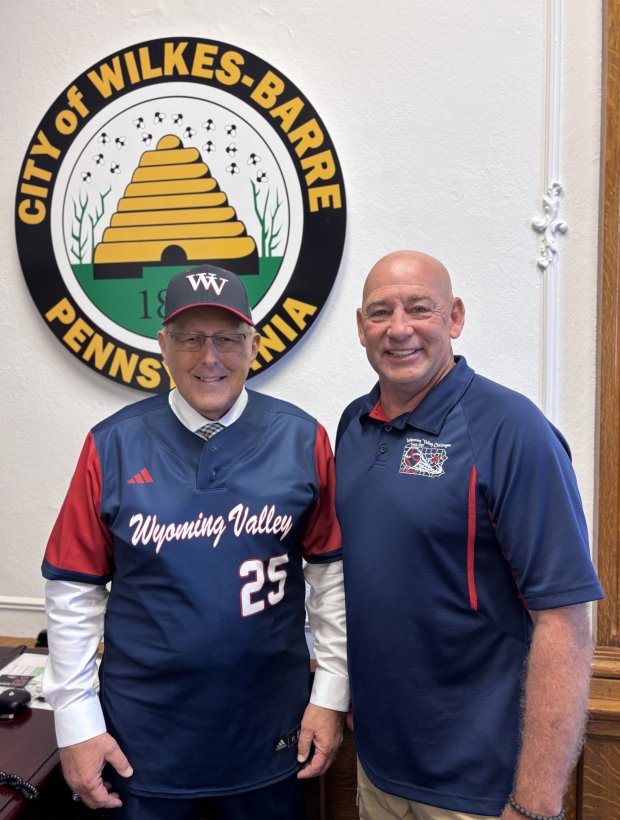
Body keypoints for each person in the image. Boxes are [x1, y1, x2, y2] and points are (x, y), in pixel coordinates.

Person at [41, 264, 348, 820]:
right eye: (190, 338)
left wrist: (330, 696)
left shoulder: (304, 440)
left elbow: (332, 582)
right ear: (163, 345)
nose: (211, 357)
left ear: (254, 344)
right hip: (142, 743)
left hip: (271, 732)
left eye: (229, 338)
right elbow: (72, 592)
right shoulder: (111, 446)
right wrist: (76, 724)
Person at [335, 250, 604, 820]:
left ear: (454, 318)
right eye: (380, 312)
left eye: (420, 308)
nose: (399, 328)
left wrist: (534, 803)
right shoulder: (354, 427)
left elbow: (565, 619)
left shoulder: (514, 431)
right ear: (361, 328)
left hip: (484, 789)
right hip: (380, 769)